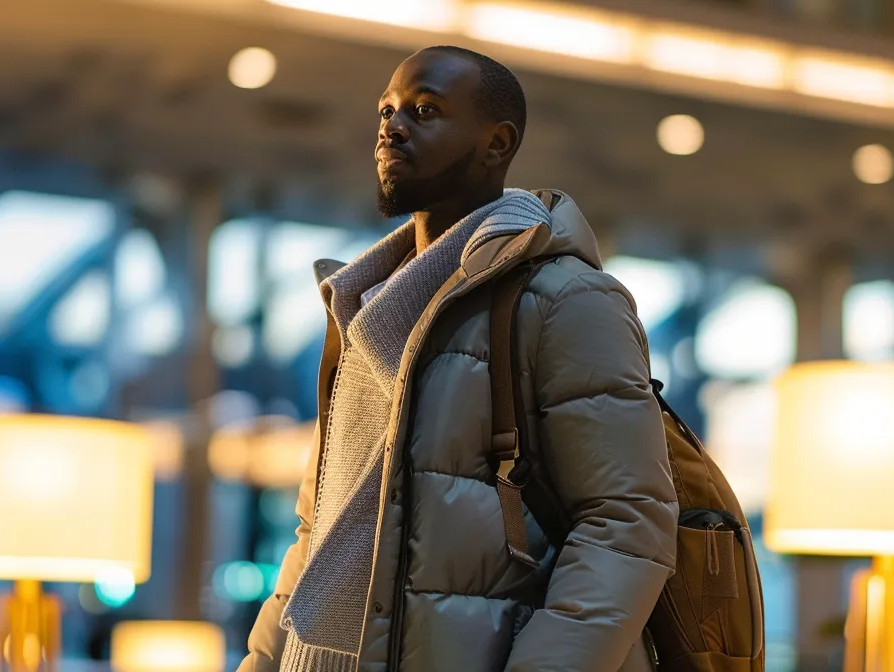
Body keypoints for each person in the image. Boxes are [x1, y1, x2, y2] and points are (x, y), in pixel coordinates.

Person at [239, 46, 676, 672]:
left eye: (425, 110)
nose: (392, 126)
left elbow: (625, 525)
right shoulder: (363, 312)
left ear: (497, 142)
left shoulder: (566, 300)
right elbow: (318, 532)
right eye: (386, 110)